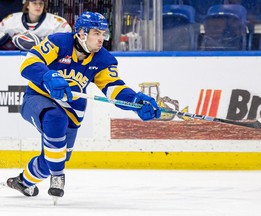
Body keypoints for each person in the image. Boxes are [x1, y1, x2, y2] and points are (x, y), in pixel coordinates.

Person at [5, 11, 161, 200]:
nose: (101, 39)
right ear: (81, 33)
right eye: (97, 33)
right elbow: (29, 63)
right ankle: (58, 177)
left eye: (103, 34)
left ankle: (23, 182)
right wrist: (48, 76)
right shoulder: (58, 42)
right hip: (37, 98)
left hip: (72, 111)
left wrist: (136, 101)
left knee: (53, 158)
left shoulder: (103, 59)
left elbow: (114, 88)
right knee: (55, 118)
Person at [0, 0, 72, 50]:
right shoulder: (11, 21)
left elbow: (67, 44)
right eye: (34, 3)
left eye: (41, 3)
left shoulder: (57, 23)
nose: (38, 6)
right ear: (27, 5)